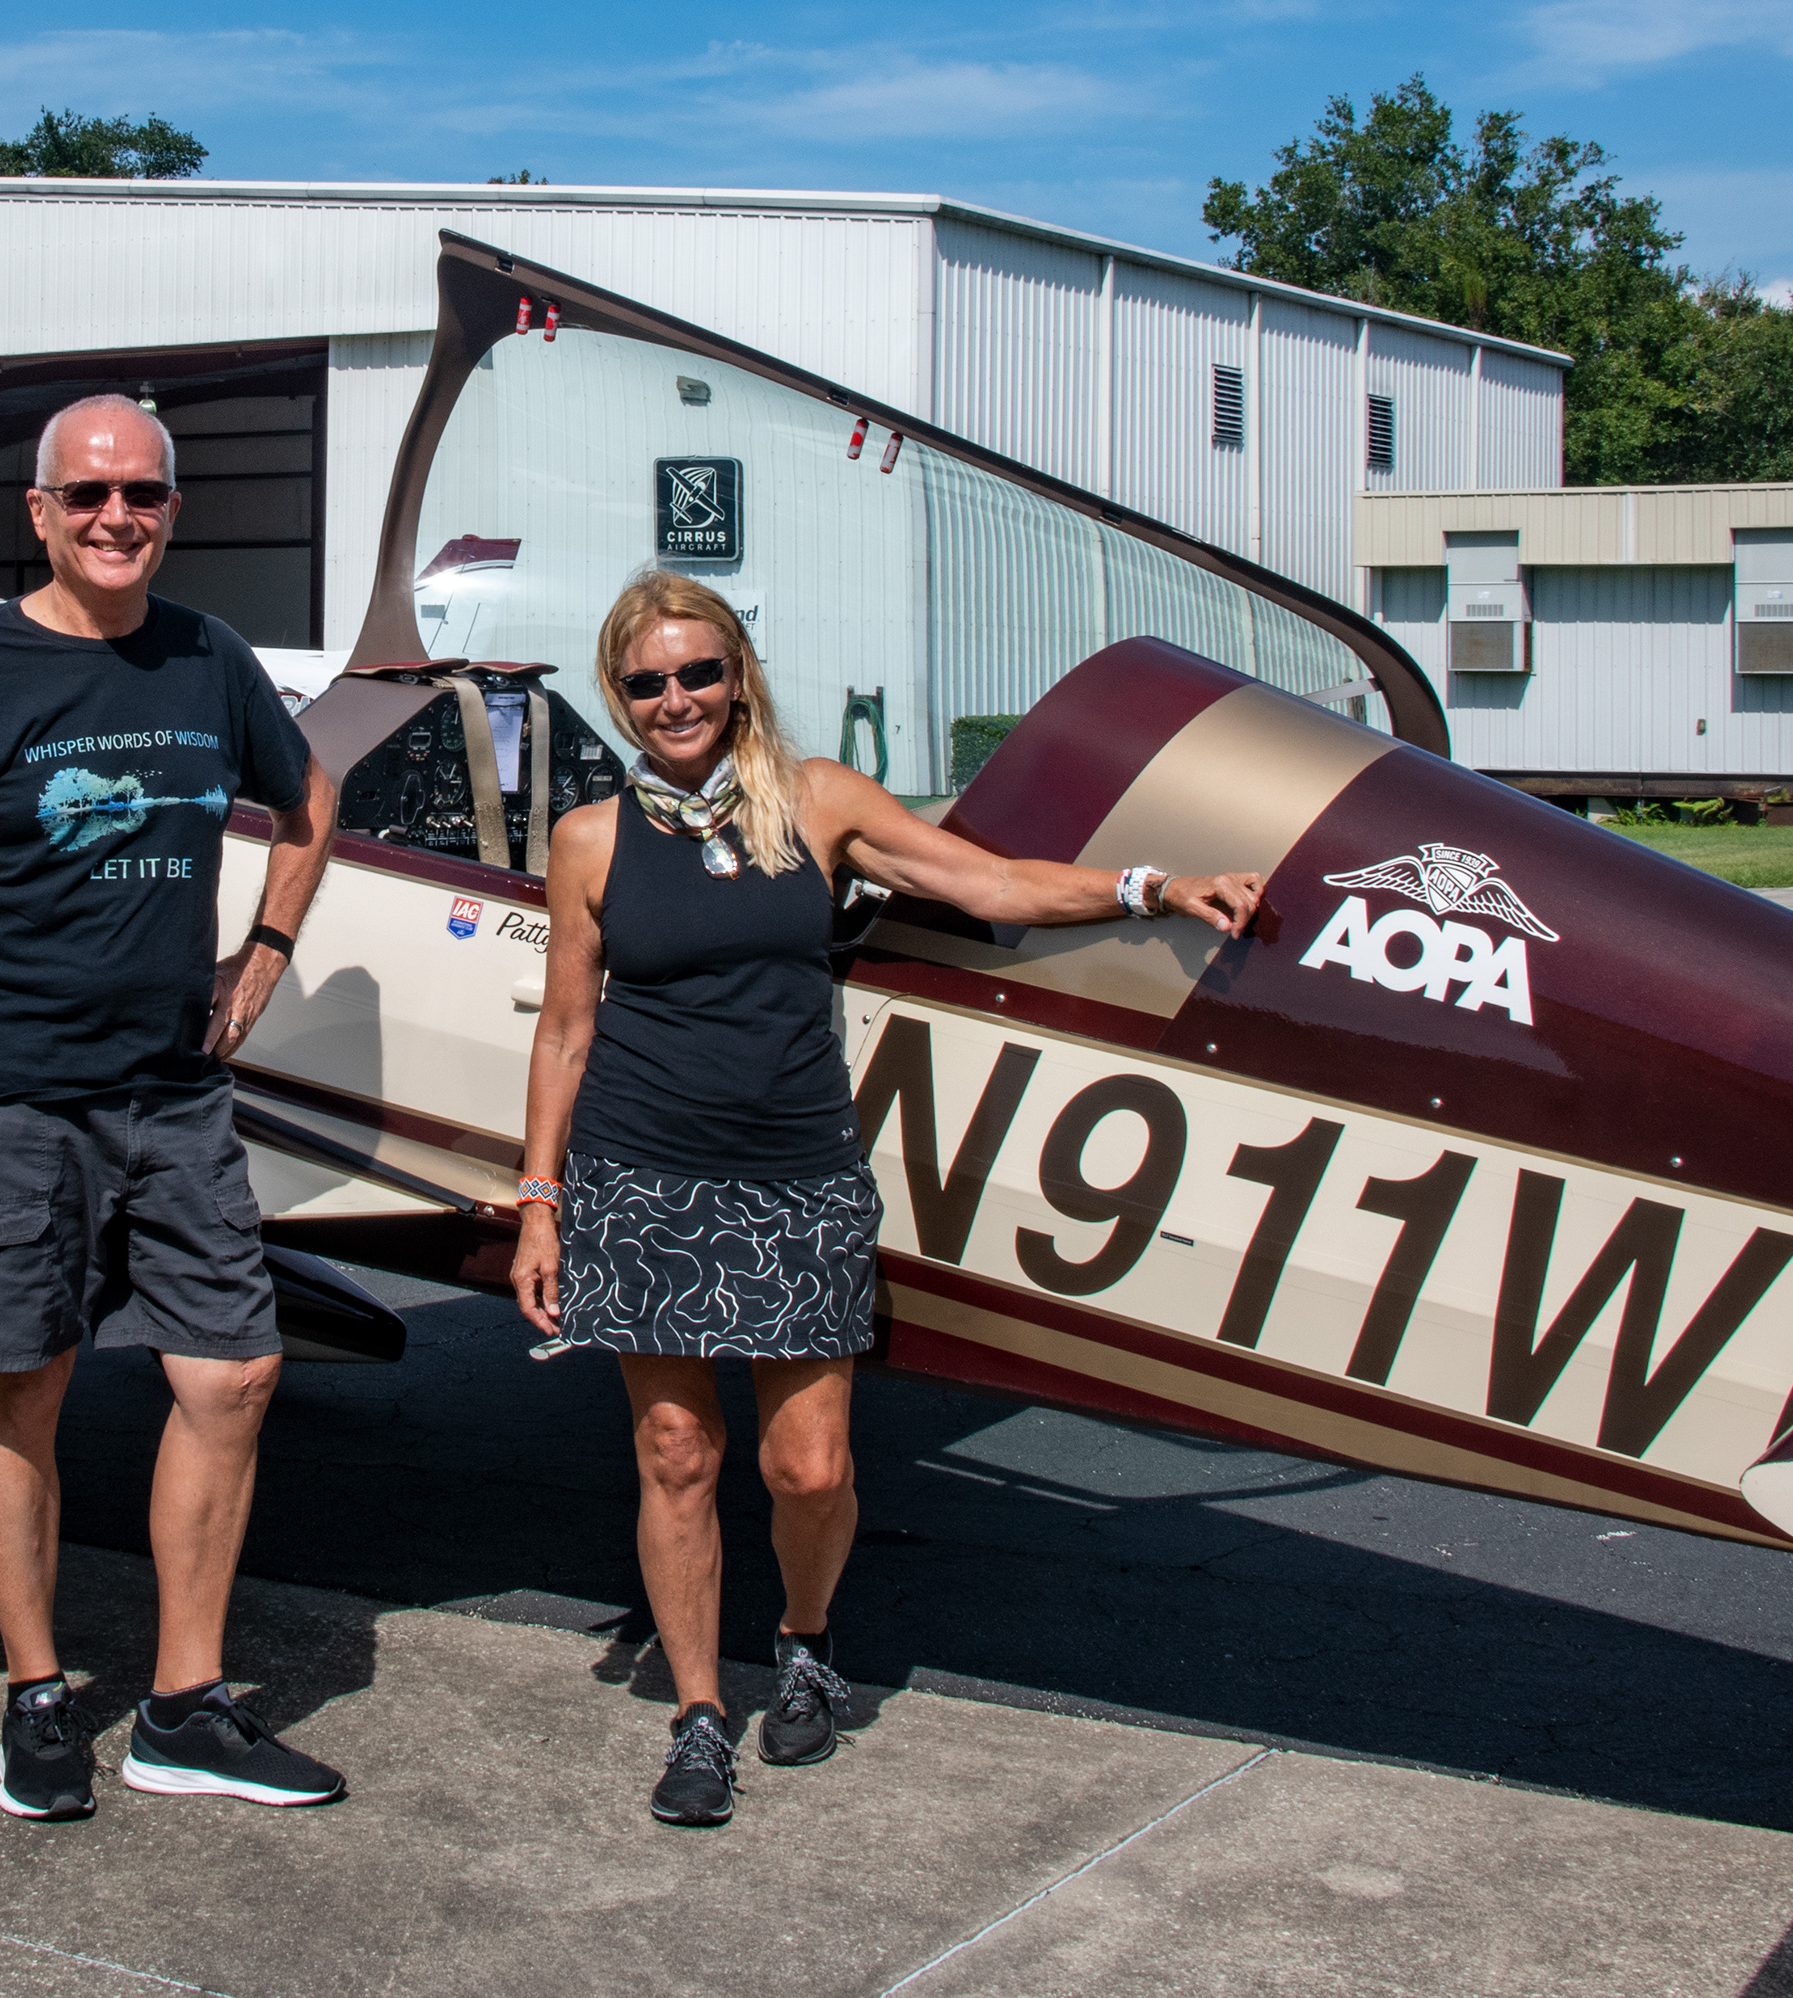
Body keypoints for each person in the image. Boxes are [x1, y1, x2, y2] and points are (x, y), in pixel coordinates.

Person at [510, 570, 1268, 1827]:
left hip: (797, 1173)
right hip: (644, 1176)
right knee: (674, 1452)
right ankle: (700, 1713)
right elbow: (568, 1029)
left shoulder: (817, 803)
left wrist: (1153, 886)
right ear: (619, 695)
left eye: (699, 671)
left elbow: (999, 887)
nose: (676, 698)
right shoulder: (590, 839)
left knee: (809, 1467)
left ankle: (804, 1637)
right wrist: (540, 1196)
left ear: (739, 672)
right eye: (647, 682)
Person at [0, 391, 343, 1825]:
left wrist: (263, 951)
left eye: (142, 494)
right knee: (28, 1380)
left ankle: (184, 1705)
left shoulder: (209, 658)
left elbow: (309, 787)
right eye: (88, 494)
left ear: (172, 510)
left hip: (175, 1091)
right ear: (40, 511)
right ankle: (37, 1690)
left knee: (234, 1374)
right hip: (14, 1092)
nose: (116, 517)